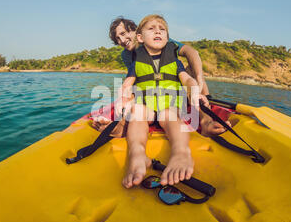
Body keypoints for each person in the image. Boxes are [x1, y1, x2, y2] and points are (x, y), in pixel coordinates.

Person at [92, 16, 229, 137]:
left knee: (192, 77)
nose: (122, 40)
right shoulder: (126, 55)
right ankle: (120, 127)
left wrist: (199, 79)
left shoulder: (159, 39)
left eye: (123, 33)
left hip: (176, 87)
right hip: (151, 94)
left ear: (136, 31)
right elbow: (135, 81)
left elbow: (191, 52)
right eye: (117, 38)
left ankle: (206, 120)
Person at [120, 14, 209, 189]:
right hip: (147, 105)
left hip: (170, 105)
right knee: (137, 112)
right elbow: (127, 84)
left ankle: (181, 152)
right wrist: (123, 99)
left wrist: (195, 89)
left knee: (168, 114)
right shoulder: (135, 62)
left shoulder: (175, 62)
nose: (158, 31)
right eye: (151, 29)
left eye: (162, 29)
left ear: (167, 38)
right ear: (140, 37)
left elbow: (187, 80)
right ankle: (137, 154)